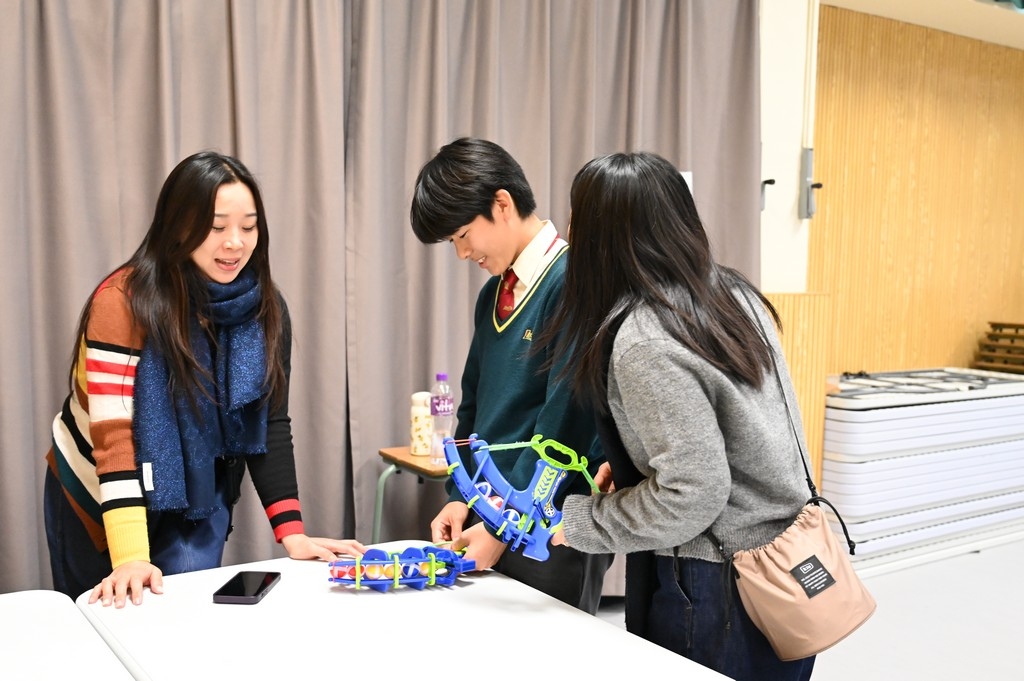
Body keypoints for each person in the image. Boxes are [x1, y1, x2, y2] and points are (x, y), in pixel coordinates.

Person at [44, 151, 365, 608]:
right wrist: (131, 557)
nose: (235, 243)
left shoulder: (264, 308)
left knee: (182, 622)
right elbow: (114, 440)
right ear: (178, 225)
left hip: (197, 488)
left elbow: (268, 423)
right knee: (105, 624)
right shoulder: (122, 302)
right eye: (216, 228)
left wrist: (292, 532)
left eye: (249, 227)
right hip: (98, 490)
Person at [543, 151, 815, 680]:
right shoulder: (733, 295)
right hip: (782, 560)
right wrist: (638, 463)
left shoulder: (646, 337)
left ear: (603, 236)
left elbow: (692, 495)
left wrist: (583, 522)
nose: (570, 232)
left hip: (716, 585)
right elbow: (744, 432)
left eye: (576, 218)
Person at [409, 137, 612, 614]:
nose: (462, 254)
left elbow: (566, 424)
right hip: (490, 517)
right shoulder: (493, 295)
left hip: (550, 525)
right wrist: (459, 498)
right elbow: (473, 407)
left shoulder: (573, 280)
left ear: (502, 204)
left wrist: (507, 526)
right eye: (453, 243)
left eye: (463, 235)